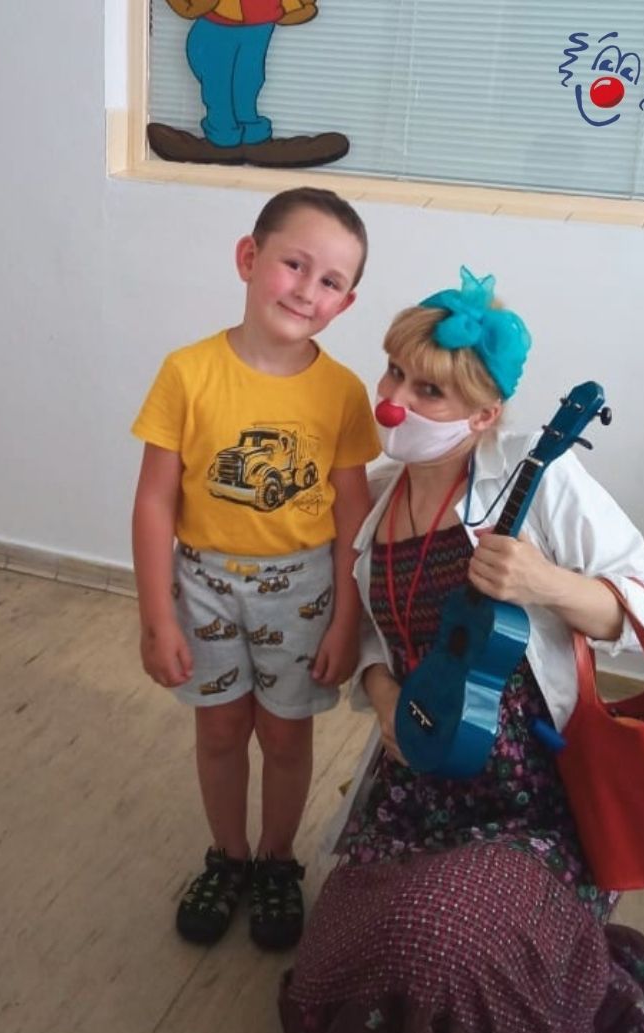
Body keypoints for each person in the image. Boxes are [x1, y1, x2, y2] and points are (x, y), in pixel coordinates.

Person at [279, 266, 644, 1033]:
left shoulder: (539, 473)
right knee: (331, 968)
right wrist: (384, 695)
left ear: (484, 415)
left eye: (430, 391)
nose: (395, 398)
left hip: (537, 799)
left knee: (444, 938)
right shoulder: (378, 499)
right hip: (417, 785)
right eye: (395, 372)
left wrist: (548, 582)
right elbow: (373, 632)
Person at [130, 186, 380, 952]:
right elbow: (154, 503)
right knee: (219, 729)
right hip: (202, 584)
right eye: (294, 264)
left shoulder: (342, 392)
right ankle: (228, 857)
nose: (307, 290)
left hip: (303, 592)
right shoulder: (187, 372)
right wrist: (157, 616)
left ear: (345, 303)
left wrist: (345, 618)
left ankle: (276, 860)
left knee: (286, 736)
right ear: (249, 257)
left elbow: (354, 515)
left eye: (330, 281)